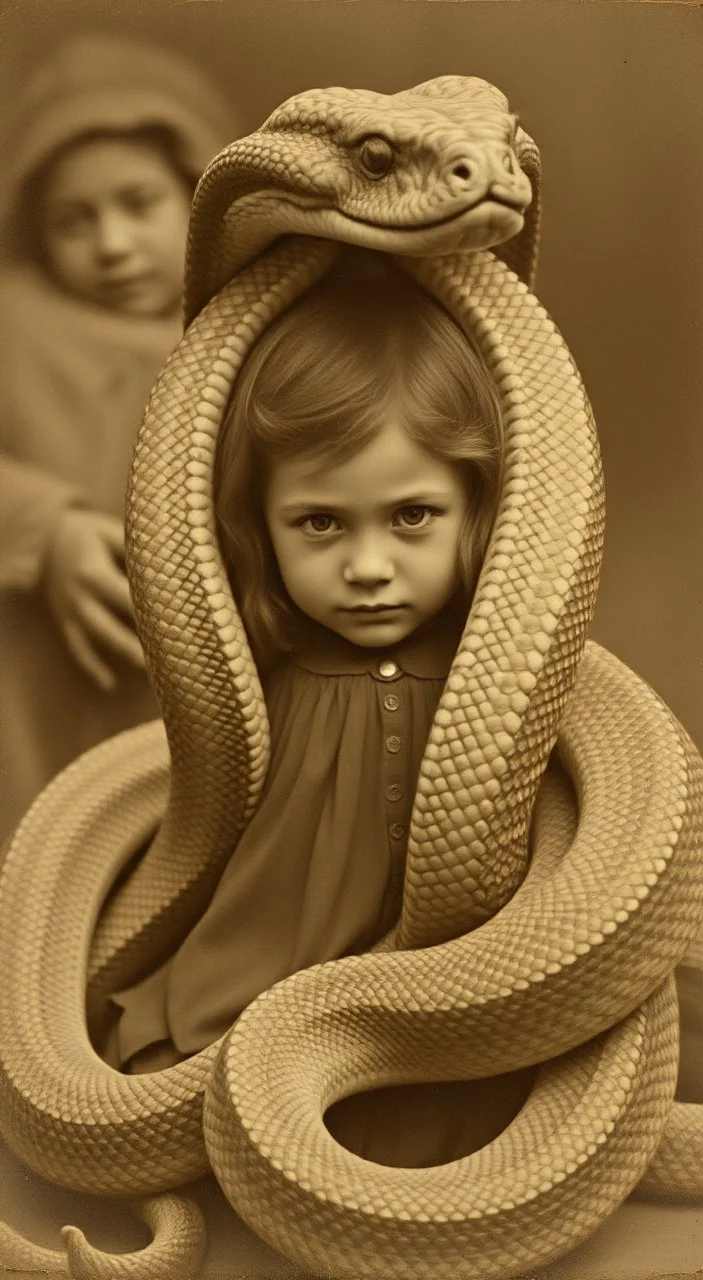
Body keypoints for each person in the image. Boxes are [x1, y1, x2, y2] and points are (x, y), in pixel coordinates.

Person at [103, 251, 507, 1093]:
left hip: (464, 990)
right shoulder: (257, 681)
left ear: (476, 508)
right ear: (260, 526)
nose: (368, 565)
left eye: (411, 516)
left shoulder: (505, 671)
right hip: (271, 970)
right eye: (320, 521)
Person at [0, 34, 238, 839]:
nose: (110, 245)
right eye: (74, 220)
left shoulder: (253, 318)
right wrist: (44, 528)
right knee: (50, 869)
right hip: (44, 676)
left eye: (139, 205)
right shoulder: (14, 321)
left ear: (198, 196)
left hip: (216, 672)